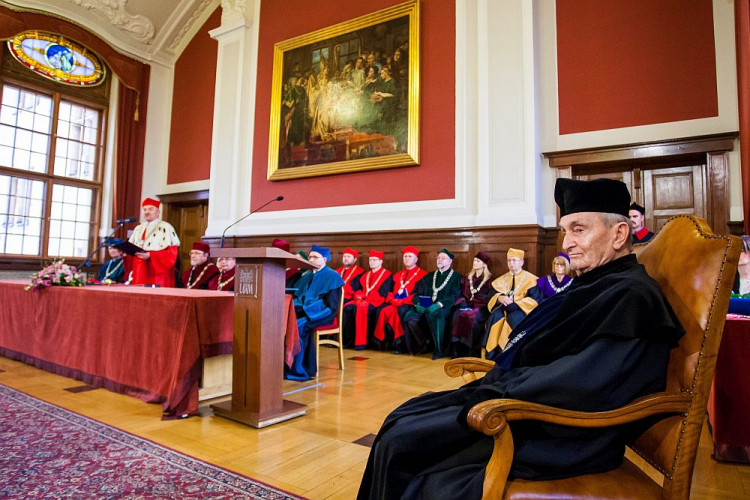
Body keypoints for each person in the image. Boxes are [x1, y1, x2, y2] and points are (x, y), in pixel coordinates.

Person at [357, 177, 685, 500]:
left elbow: (585, 381)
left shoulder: (633, 295)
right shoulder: (596, 283)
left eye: (579, 230)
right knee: (401, 418)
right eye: (564, 231)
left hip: (555, 430)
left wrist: (500, 390)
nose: (566, 244)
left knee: (404, 445)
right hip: (524, 402)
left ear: (619, 234)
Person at [286, 245, 344, 381]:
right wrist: (296, 306)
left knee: (299, 326)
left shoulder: (333, 276)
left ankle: (302, 369)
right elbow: (299, 296)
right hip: (305, 310)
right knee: (286, 324)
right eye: (310, 256)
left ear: (324, 259)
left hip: (323, 314)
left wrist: (306, 310)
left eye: (315, 257)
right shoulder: (306, 275)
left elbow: (330, 305)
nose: (311, 259)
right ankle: (287, 365)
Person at [403, 249, 462, 359]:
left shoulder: (457, 277)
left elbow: (454, 296)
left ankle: (439, 349)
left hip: (443, 307)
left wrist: (438, 304)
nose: (440, 260)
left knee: (436, 315)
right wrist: (418, 304)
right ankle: (423, 343)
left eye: (443, 258)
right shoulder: (429, 276)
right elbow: (418, 293)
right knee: (409, 316)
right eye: (438, 258)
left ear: (450, 262)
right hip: (426, 305)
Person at [483, 248, 540, 352]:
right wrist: (499, 297)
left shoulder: (532, 280)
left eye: (514, 260)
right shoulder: (501, 280)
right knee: (496, 315)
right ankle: (493, 353)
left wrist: (517, 305)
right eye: (509, 260)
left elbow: (535, 299)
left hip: (521, 310)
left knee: (513, 317)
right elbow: (491, 296)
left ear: (521, 262)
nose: (511, 263)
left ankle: (511, 351)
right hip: (504, 308)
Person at [373, 246, 427, 351]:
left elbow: (419, 294)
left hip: (409, 303)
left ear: (416, 259)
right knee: (383, 311)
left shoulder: (422, 275)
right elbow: (391, 291)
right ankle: (381, 342)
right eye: (405, 256)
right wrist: (392, 299)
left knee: (398, 312)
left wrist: (403, 301)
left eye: (409, 256)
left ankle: (401, 343)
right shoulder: (398, 275)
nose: (406, 258)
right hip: (395, 302)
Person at [343, 250, 393, 350]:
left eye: (375, 260)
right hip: (363, 300)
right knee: (347, 307)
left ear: (381, 261)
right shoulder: (366, 275)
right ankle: (349, 340)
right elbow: (359, 290)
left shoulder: (387, 275)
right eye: (370, 260)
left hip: (377, 302)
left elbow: (383, 293)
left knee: (361, 309)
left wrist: (367, 300)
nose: (372, 262)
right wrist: (359, 298)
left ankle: (362, 342)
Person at [128, 198, 181, 287]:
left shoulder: (166, 227)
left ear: (158, 213)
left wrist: (151, 255)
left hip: (157, 269)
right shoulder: (138, 228)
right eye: (145, 209)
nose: (147, 212)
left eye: (150, 209)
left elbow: (171, 253)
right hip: (139, 267)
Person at [449, 252, 493, 358]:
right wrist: (462, 301)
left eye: (478, 261)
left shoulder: (489, 280)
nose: (475, 263)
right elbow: (461, 292)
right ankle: (457, 348)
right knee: (456, 315)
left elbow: (488, 297)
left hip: (480, 307)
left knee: (474, 319)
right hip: (466, 305)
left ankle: (471, 349)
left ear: (484, 264)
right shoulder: (467, 278)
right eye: (474, 261)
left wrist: (475, 305)